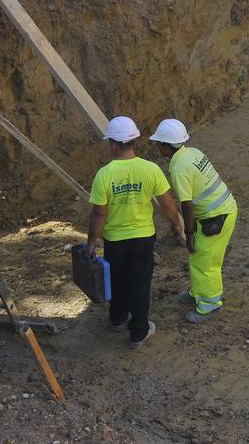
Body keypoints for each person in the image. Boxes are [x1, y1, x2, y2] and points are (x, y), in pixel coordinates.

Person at [85, 115, 184, 349]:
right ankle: (138, 333)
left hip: (115, 241)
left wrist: (91, 243)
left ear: (113, 143)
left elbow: (99, 214)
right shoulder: (150, 169)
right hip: (143, 239)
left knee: (117, 281)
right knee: (140, 284)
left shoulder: (105, 174)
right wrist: (177, 227)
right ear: (133, 141)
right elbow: (168, 204)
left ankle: (118, 319)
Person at [149, 118, 238, 323]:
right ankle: (198, 292)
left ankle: (210, 303)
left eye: (158, 143)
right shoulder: (193, 152)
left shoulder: (179, 168)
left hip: (217, 217)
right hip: (222, 209)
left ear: (165, 146)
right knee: (199, 257)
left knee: (206, 262)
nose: (156, 147)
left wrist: (188, 233)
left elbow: (186, 205)